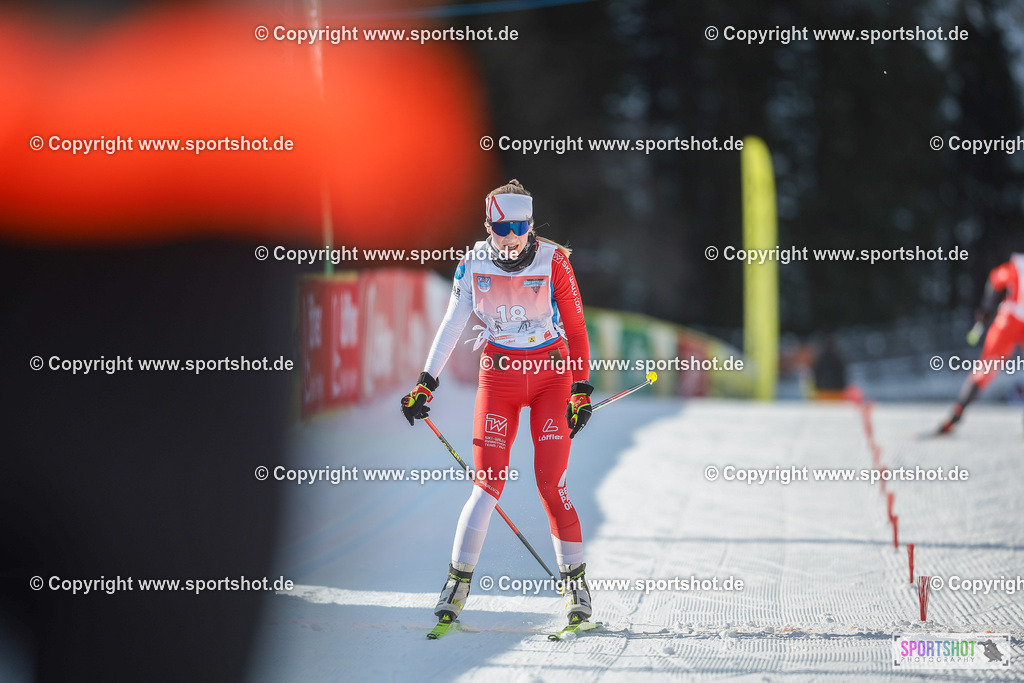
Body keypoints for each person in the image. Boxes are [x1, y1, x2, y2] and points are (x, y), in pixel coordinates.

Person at [401, 179, 594, 627]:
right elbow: (452, 325)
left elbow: (577, 329)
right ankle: (457, 582)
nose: (511, 236)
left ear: (530, 225)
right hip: (501, 377)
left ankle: (576, 585)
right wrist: (426, 383)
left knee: (551, 484)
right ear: (489, 225)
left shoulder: (554, 263)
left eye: (520, 226)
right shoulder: (472, 264)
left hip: (550, 376)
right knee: (487, 485)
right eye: (503, 227)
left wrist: (581, 390)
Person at [938, 253, 1024, 434]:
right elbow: (996, 280)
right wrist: (987, 308)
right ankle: (956, 412)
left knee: (985, 367)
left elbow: (995, 280)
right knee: (985, 367)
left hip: (1008, 319)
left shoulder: (1015, 266)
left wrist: (987, 307)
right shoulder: (1016, 266)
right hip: (1009, 319)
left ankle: (956, 413)